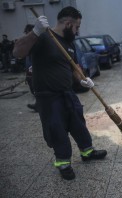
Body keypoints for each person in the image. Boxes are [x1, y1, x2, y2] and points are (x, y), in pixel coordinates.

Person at [13, 6, 107, 180]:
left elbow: (74, 68)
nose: (78, 31)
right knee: (57, 131)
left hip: (67, 93)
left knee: (79, 125)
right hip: (48, 97)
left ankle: (87, 152)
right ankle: (63, 164)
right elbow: (18, 52)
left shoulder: (68, 43)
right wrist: (34, 32)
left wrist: (83, 79)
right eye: (77, 27)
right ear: (68, 23)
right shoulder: (44, 37)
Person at [22, 24, 38, 112]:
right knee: (33, 87)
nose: (27, 34)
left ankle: (39, 105)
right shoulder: (29, 43)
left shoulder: (38, 42)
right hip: (30, 69)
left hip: (37, 70)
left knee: (38, 88)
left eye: (28, 32)